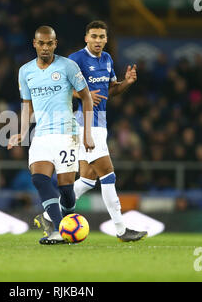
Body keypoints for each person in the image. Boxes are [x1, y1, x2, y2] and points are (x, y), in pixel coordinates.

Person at [37, 21, 147, 242]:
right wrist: (84, 95)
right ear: (86, 38)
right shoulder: (75, 59)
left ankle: (49, 216)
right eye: (94, 36)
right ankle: (121, 229)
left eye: (102, 37)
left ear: (106, 39)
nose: (98, 41)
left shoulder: (107, 60)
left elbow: (110, 90)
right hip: (82, 122)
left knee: (88, 179)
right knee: (108, 174)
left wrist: (127, 83)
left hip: (100, 123)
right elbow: (59, 89)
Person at [7, 26, 94, 245]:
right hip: (42, 135)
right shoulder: (25, 71)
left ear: (55, 44)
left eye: (50, 43)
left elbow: (86, 98)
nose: (45, 47)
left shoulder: (68, 66)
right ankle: (57, 230)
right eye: (41, 43)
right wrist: (21, 132)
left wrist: (88, 134)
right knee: (39, 179)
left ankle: (67, 220)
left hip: (67, 134)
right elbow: (27, 105)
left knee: (66, 189)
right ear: (34, 44)